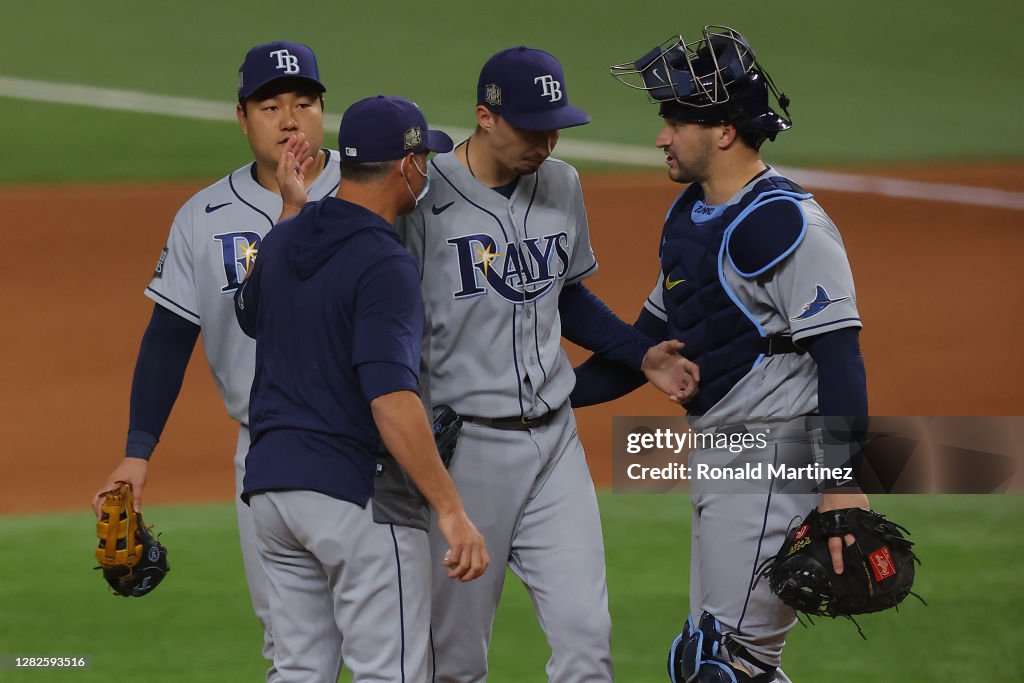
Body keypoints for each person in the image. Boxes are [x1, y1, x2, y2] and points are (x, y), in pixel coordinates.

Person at [573, 26, 870, 682]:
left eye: (675, 121)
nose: (661, 137)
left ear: (725, 131)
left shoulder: (787, 224)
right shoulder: (690, 218)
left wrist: (841, 486)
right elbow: (644, 348)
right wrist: (536, 397)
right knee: (708, 658)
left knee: (724, 665)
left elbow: (840, 357)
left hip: (776, 459)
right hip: (724, 458)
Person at [399, 47, 698, 682]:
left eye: (555, 124)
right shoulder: (423, 200)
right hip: (464, 453)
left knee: (588, 640)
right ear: (484, 116)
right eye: (532, 126)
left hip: (555, 446)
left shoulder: (562, 183)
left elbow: (566, 293)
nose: (548, 138)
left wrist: (637, 352)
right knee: (453, 659)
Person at [90, 41, 339, 680]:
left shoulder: (369, 187)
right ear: (242, 117)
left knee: (400, 642)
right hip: (267, 449)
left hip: (372, 440)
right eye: (271, 105)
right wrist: (137, 451)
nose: (290, 120)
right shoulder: (202, 217)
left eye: (304, 103)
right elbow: (169, 337)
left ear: (322, 111)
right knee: (293, 649)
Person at [233, 94, 489, 682]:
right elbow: (389, 397)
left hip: (272, 493)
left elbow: (251, 310)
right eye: (423, 157)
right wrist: (450, 511)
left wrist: (292, 211)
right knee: (390, 672)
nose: (426, 168)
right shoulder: (384, 261)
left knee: (298, 670)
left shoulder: (288, 235)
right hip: (355, 497)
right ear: (405, 167)